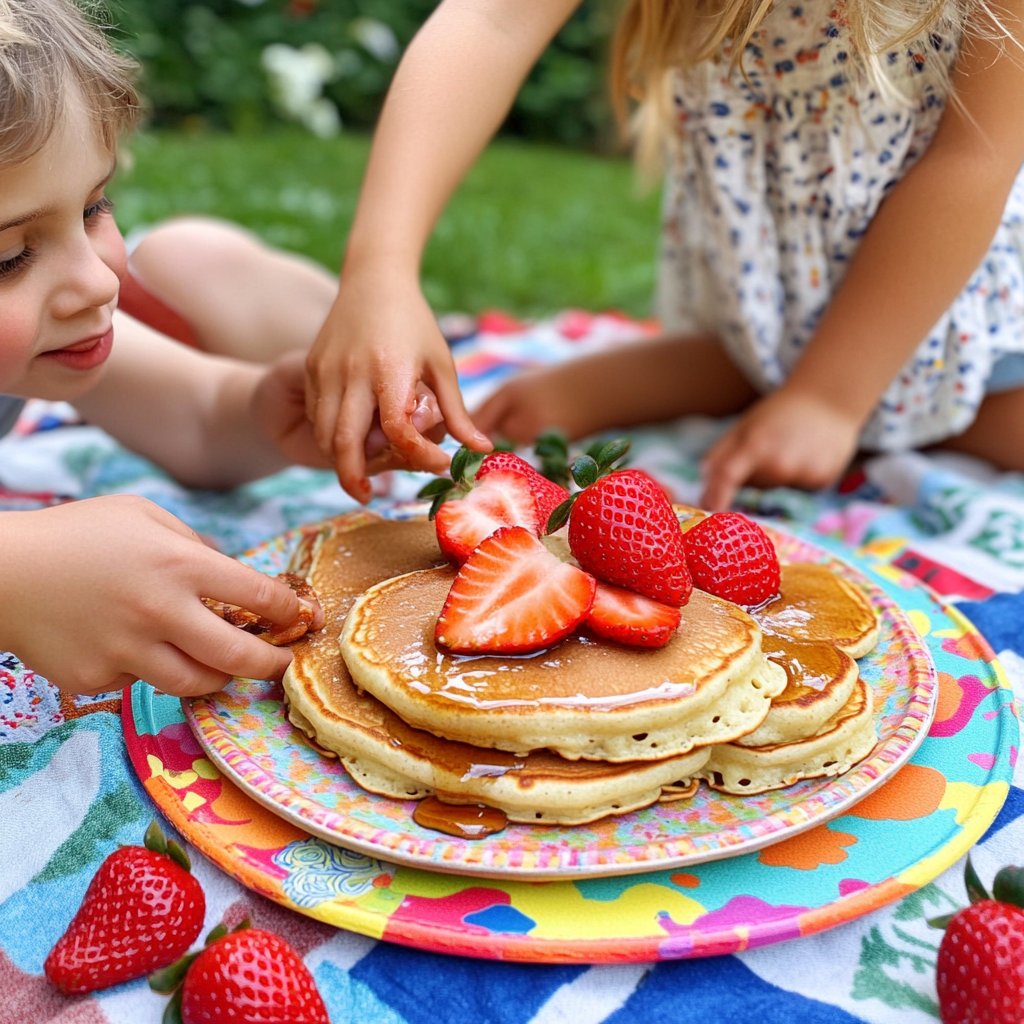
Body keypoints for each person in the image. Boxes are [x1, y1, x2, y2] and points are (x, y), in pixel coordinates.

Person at [304, 0, 1024, 510]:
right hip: (775, 308)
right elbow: (491, 18)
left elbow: (974, 160)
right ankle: (762, 385)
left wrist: (828, 401)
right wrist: (381, 269)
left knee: (992, 421)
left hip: (964, 298)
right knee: (769, 380)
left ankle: (803, 396)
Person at [0, 0, 439, 699]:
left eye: (93, 208)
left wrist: (263, 416)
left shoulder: (54, 336)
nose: (97, 277)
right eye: (10, 257)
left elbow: (195, 416)